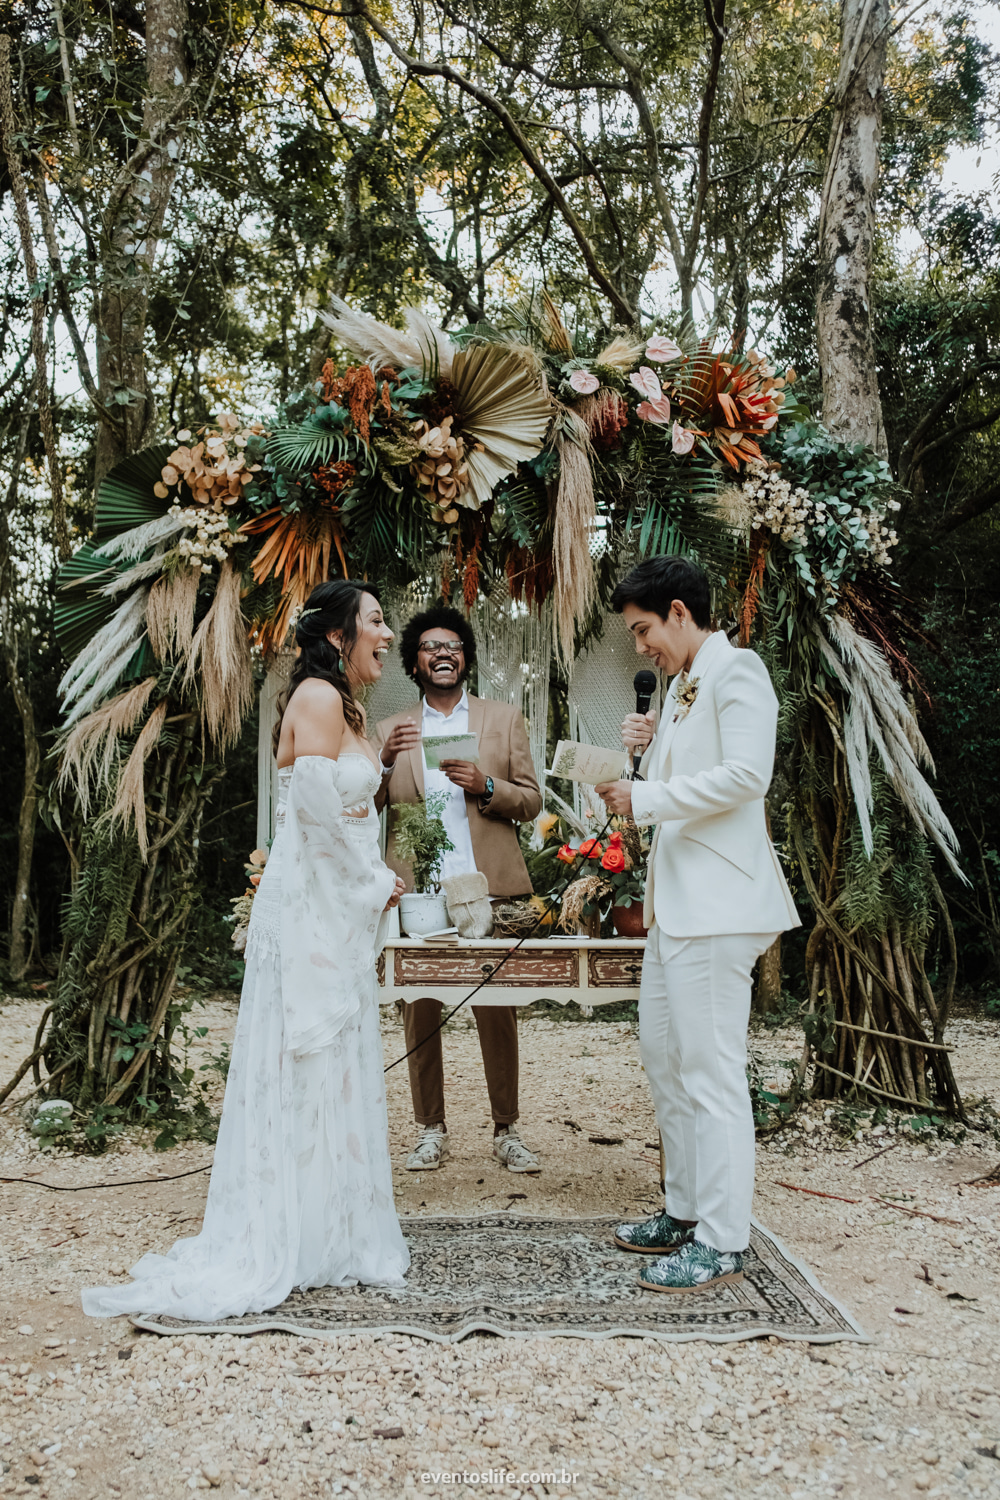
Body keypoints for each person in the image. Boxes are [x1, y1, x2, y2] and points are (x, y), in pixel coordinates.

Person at [82, 581, 409, 1321]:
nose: (388, 634)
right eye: (377, 622)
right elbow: (323, 818)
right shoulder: (321, 702)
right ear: (337, 635)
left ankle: (330, 1232)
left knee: (332, 1059)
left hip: (327, 905)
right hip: (310, 910)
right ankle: (297, 1236)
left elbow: (345, 811)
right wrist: (375, 880)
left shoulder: (342, 705)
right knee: (308, 1056)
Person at [595, 556, 800, 1295]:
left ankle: (723, 1238)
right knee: (663, 1055)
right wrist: (642, 770)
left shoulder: (737, 670)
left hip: (719, 907)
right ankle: (684, 1210)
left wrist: (645, 799)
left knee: (710, 1070)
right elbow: (682, 791)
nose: (641, 646)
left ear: (680, 612)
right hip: (675, 908)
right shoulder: (683, 688)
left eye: (644, 630)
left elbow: (749, 776)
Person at [374, 606, 543, 1175]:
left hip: (487, 888)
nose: (443, 652)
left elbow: (531, 798)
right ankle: (429, 1130)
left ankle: (506, 1129)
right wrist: (381, 763)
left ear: (466, 657)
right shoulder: (390, 731)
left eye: (454, 645)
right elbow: (362, 805)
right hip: (416, 891)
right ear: (414, 662)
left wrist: (487, 785)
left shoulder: (503, 718)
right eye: (430, 646)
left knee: (497, 1007)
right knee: (418, 1007)